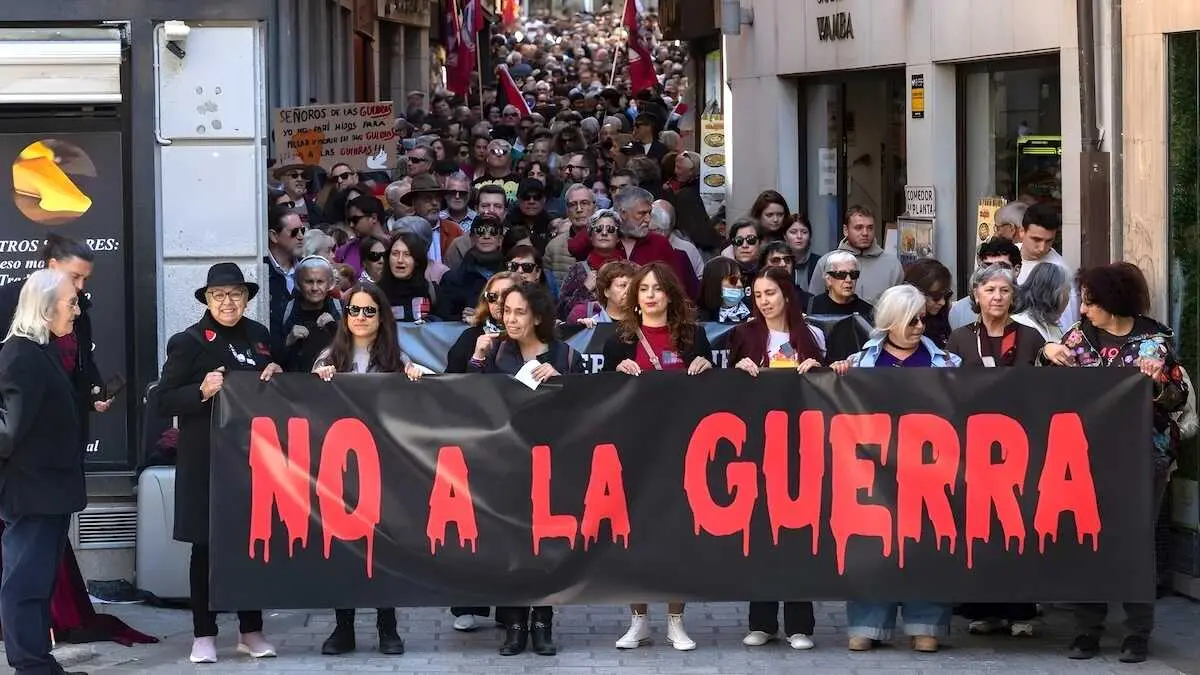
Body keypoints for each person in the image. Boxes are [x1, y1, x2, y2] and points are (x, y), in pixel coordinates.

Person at [1040, 262, 1189, 664]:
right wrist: (1046, 352)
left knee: (1134, 541)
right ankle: (1087, 629)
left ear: (1111, 302)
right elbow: (1043, 385)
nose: (1083, 310)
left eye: (1089, 303)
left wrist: (1158, 382)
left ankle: (1137, 634)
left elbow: (1178, 398)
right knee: (1086, 538)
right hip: (1082, 457)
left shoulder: (1154, 341)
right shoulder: (1077, 337)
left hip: (1143, 457)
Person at [157, 263, 282, 664]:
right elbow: (163, 398)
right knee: (206, 547)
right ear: (207, 300)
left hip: (252, 456)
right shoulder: (188, 341)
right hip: (205, 458)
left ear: (246, 298)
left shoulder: (260, 337)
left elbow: (276, 390)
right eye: (219, 295)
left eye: (235, 294)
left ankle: (251, 630)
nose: (228, 302)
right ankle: (204, 634)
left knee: (252, 543)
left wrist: (278, 373)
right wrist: (201, 390)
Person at [831, 284, 959, 653]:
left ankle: (926, 623)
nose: (921, 325)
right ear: (891, 322)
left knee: (929, 545)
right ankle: (867, 623)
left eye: (923, 318)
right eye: (912, 319)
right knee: (871, 544)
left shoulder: (946, 363)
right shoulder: (861, 362)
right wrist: (840, 376)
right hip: (874, 470)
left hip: (930, 469)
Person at [468, 283, 583, 657]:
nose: (510, 318)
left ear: (536, 316)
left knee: (546, 547)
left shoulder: (565, 356)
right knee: (512, 547)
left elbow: (586, 411)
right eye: (506, 310)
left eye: (519, 312)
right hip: (506, 466)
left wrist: (562, 383)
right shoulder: (497, 353)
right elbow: (468, 400)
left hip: (552, 467)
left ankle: (542, 623)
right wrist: (476, 358)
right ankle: (514, 624)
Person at [603, 262, 712, 652]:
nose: (650, 295)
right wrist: (617, 374)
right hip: (635, 452)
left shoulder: (693, 338)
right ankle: (638, 621)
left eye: (657, 289)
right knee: (636, 536)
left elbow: (711, 396)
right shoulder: (618, 341)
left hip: (684, 451)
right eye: (643, 289)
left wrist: (707, 367)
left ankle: (676, 622)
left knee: (677, 537)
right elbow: (602, 402)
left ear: (670, 294)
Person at [312, 282, 419, 657]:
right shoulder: (329, 355)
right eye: (354, 310)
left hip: (384, 468)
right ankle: (343, 628)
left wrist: (415, 380)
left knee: (384, 548)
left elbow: (417, 407)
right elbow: (309, 409)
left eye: (369, 311)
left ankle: (387, 626)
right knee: (345, 549)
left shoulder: (397, 358)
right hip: (340, 469)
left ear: (381, 316)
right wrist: (320, 382)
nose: (360, 317)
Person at [0, 269, 85, 675]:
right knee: (24, 584)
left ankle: (39, 662)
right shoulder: (21, 354)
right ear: (46, 308)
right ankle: (29, 665)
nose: (77, 309)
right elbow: (8, 431)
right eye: (70, 302)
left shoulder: (41, 351)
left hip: (50, 489)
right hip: (32, 490)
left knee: (39, 583)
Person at [945, 264, 1045, 368]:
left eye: (1005, 290)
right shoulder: (960, 338)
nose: (997, 297)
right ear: (976, 295)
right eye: (990, 290)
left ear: (1012, 297)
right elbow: (947, 381)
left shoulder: (1031, 337)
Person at [808, 206, 904, 304]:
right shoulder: (826, 262)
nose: (865, 233)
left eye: (870, 228)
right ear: (846, 230)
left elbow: (899, 308)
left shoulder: (892, 265)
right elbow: (814, 305)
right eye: (858, 228)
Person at [445, 272, 517, 375]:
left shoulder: (528, 336)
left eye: (506, 296)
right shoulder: (470, 336)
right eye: (493, 296)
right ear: (486, 300)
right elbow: (450, 380)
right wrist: (477, 358)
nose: (499, 301)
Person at [1012, 262, 1071, 342]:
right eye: (1067, 291)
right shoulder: (1023, 325)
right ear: (1052, 294)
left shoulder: (1049, 323)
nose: (1068, 297)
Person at [903, 259, 953, 349]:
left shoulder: (944, 318)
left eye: (946, 295)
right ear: (917, 292)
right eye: (936, 297)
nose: (943, 302)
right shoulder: (901, 327)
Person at [696, 257, 750, 323]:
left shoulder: (750, 307)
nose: (740, 284)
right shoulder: (699, 318)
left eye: (741, 279)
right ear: (716, 283)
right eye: (733, 280)